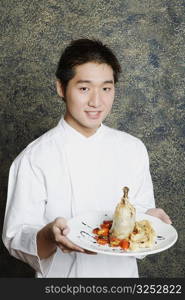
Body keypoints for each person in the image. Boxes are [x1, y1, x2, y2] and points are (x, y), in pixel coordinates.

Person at [2, 39, 171, 278]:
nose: (96, 101)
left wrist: (150, 220)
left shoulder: (133, 149)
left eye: (106, 88)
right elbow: (16, 239)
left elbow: (140, 217)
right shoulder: (34, 157)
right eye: (84, 88)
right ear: (61, 88)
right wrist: (50, 234)